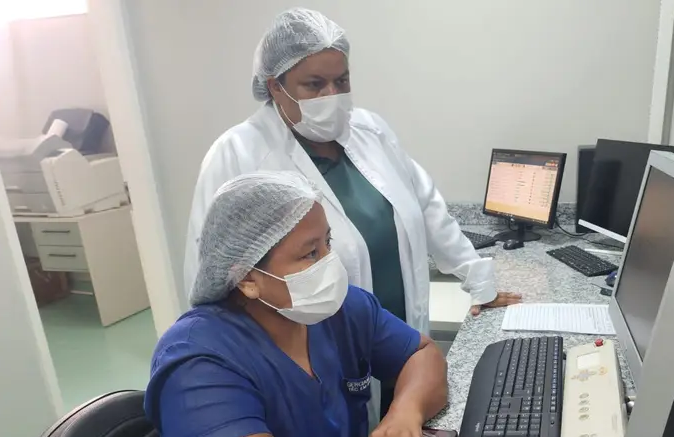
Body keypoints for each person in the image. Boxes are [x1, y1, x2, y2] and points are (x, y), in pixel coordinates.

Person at [148, 172, 582, 437]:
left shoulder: (340, 311)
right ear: (247, 278)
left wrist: (405, 411)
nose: (329, 263)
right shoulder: (198, 362)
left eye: (328, 243)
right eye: (310, 253)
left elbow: (422, 355)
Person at [184, 7, 520, 333]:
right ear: (275, 86)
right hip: (310, 349)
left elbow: (429, 209)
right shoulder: (238, 154)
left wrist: (479, 280)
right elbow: (212, 274)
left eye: (341, 80)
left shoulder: (370, 130)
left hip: (402, 334)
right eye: (315, 84)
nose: (332, 95)